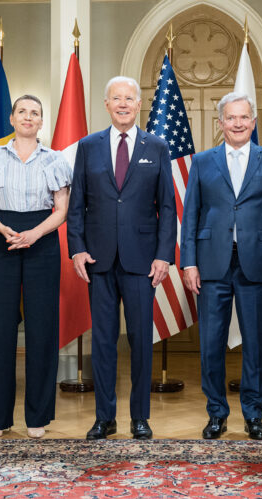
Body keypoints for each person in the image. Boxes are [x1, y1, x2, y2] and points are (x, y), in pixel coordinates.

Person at [67, 76, 176, 440]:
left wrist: (164, 256)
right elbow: (77, 204)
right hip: (98, 259)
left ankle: (140, 417)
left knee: (142, 341)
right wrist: (77, 247)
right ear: (107, 104)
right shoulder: (88, 146)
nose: (124, 104)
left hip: (142, 262)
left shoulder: (157, 147)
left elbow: (167, 206)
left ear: (139, 104)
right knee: (102, 341)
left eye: (130, 98)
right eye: (117, 98)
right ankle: (104, 418)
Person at [180, 92, 262, 440]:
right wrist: (188, 263)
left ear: (253, 122)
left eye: (245, 118)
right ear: (221, 123)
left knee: (256, 344)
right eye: (232, 118)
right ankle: (216, 413)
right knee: (211, 343)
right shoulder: (202, 162)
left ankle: (254, 414)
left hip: (257, 264)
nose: (239, 123)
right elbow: (191, 215)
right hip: (211, 264)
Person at [0, 95, 71, 439]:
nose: (29, 117)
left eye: (35, 113)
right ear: (12, 118)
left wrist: (34, 234)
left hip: (42, 240)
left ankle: (37, 417)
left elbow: (61, 210)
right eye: (23, 112)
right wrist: (4, 230)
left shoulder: (56, 160)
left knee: (43, 328)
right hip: (1, 239)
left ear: (42, 122)